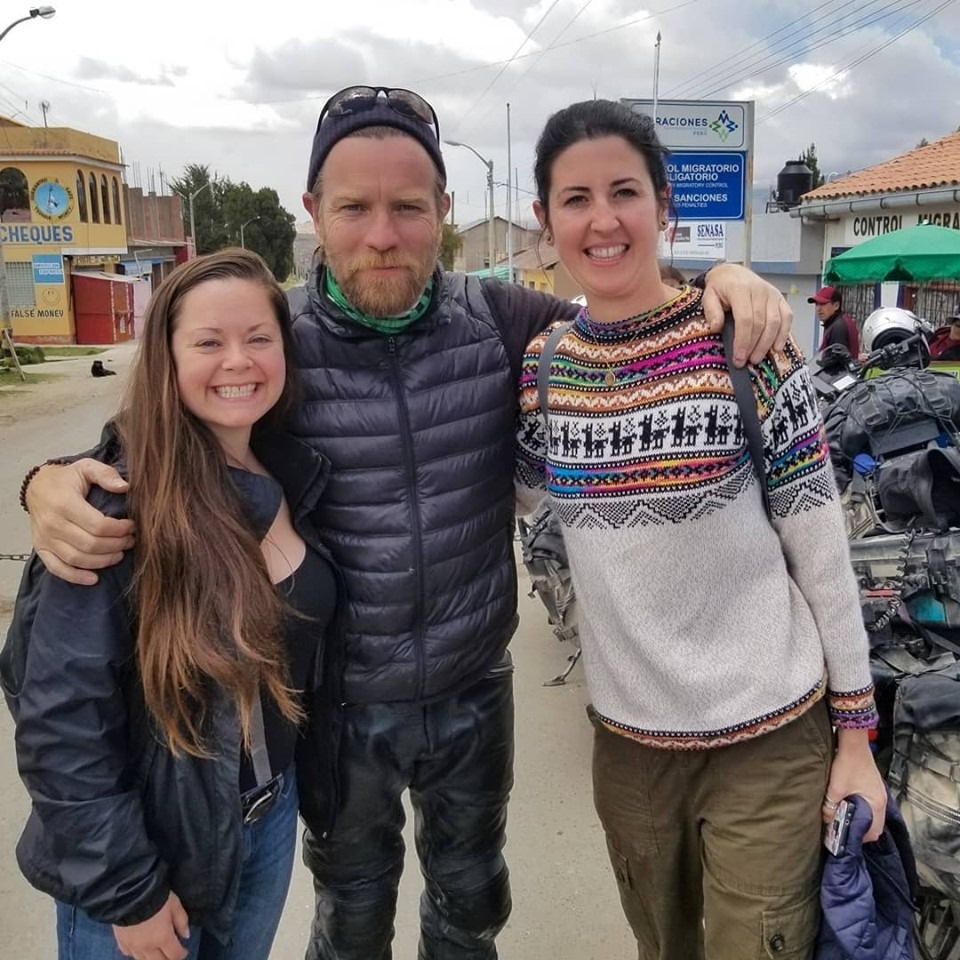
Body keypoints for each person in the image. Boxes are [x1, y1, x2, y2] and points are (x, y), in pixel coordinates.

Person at [21, 85, 794, 960]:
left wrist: (718, 282)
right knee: (350, 921)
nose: (381, 235)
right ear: (313, 211)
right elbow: (155, 437)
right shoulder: (277, 342)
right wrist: (47, 482)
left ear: (444, 212)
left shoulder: (501, 321)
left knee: (471, 909)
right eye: (353, 208)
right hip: (341, 706)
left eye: (408, 208)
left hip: (473, 687)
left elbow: (630, 321)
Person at [515, 99, 886, 960]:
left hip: (770, 739)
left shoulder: (745, 342)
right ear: (545, 222)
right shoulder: (543, 370)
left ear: (663, 204)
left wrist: (857, 737)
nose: (602, 220)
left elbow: (823, 553)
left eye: (624, 192)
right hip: (630, 753)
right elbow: (509, 498)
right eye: (575, 199)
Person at [2, 249, 339, 960]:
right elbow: (59, 720)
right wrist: (130, 891)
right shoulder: (118, 505)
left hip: (265, 822)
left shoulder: (288, 470)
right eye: (208, 342)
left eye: (258, 338)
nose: (238, 361)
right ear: (168, 357)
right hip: (152, 858)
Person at [810, 284, 860, 355]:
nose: (818, 309)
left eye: (823, 304)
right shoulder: (836, 322)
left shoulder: (838, 327)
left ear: (836, 305)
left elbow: (837, 361)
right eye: (817, 304)